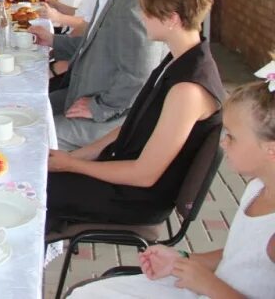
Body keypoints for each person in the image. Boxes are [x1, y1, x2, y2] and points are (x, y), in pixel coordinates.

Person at [46, 0, 223, 234]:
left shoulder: (189, 89)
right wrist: (75, 156)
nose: (140, 16)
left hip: (138, 197)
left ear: (171, 18)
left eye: (146, 11)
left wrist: (73, 165)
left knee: (35, 190)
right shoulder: (178, 58)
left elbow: (145, 174)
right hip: (125, 172)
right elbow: (132, 125)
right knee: (42, 176)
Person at [67, 73, 275, 299]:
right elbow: (238, 256)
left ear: (270, 150)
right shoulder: (256, 188)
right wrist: (182, 261)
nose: (224, 142)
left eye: (232, 137)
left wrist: (209, 285)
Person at [29, 0, 165, 150]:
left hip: (112, 117)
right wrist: (53, 41)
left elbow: (140, 73)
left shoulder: (135, 0)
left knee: (32, 140)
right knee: (23, 112)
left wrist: (99, 107)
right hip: (81, 94)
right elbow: (94, 44)